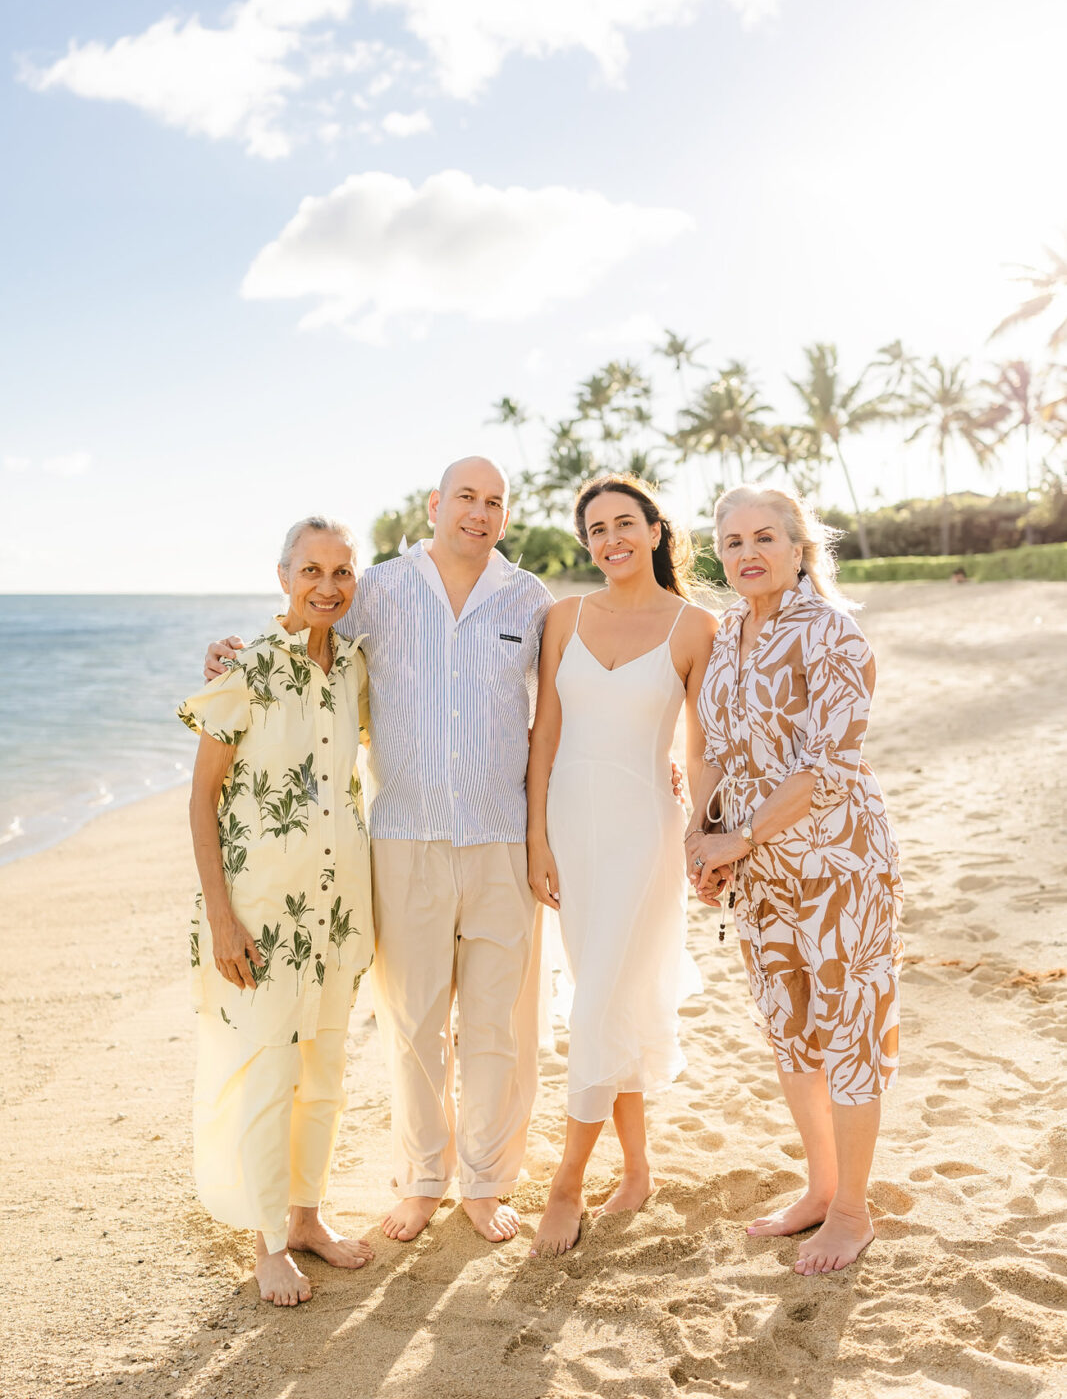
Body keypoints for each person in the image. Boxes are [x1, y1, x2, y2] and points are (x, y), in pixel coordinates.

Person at [205, 458, 552, 1245]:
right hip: (401, 840)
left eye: (494, 502)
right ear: (435, 505)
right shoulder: (383, 590)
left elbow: (562, 711)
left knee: (496, 1024)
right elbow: (308, 639)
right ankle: (424, 1178)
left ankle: (487, 1183)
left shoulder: (528, 600)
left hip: (502, 836)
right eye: (465, 497)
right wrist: (230, 656)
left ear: (504, 516)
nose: (478, 512)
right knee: (415, 1022)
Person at [687, 485, 903, 1276]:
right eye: (733, 540)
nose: (747, 553)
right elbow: (710, 748)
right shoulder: (724, 639)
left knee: (849, 1033)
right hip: (760, 875)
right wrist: (698, 838)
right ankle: (819, 1189)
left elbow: (826, 766)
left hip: (840, 865)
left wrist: (734, 837)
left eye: (764, 538)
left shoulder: (832, 634)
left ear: (798, 547)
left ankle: (853, 1210)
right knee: (791, 1030)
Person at [180, 517, 375, 1306]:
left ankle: (305, 1219)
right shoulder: (245, 669)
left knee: (322, 1072)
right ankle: (266, 1244)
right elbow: (201, 803)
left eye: (341, 572)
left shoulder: (355, 668)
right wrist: (222, 919)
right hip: (258, 914)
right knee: (267, 1072)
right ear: (282, 575)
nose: (326, 587)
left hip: (338, 912)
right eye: (310, 571)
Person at [525, 474, 717, 1257]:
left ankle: (565, 1183)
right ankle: (636, 1169)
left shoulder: (695, 625)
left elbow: (701, 754)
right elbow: (542, 737)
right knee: (616, 994)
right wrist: (536, 839)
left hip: (645, 834)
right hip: (569, 830)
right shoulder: (562, 617)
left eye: (624, 523)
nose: (611, 539)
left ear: (654, 530)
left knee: (600, 997)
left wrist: (706, 837)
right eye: (596, 528)